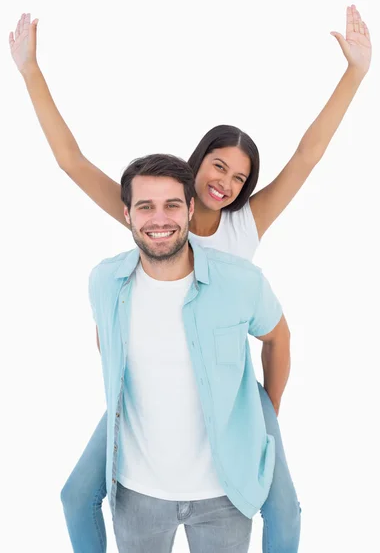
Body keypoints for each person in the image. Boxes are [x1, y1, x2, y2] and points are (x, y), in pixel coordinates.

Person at [9, 5, 372, 553]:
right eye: (219, 165)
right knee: (75, 494)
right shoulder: (161, 210)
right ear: (196, 162)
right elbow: (71, 161)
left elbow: (307, 155)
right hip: (149, 386)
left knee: (285, 509)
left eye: (240, 176)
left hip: (225, 390)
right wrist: (30, 69)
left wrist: (355, 73)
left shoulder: (244, 224)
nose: (226, 182)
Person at [90, 152, 290, 553]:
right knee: (74, 495)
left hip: (225, 494)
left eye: (172, 205)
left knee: (288, 511)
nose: (159, 219)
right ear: (127, 213)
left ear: (190, 209)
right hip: (137, 494)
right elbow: (107, 347)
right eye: (145, 206)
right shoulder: (105, 282)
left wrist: (266, 409)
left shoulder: (242, 282)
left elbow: (277, 338)